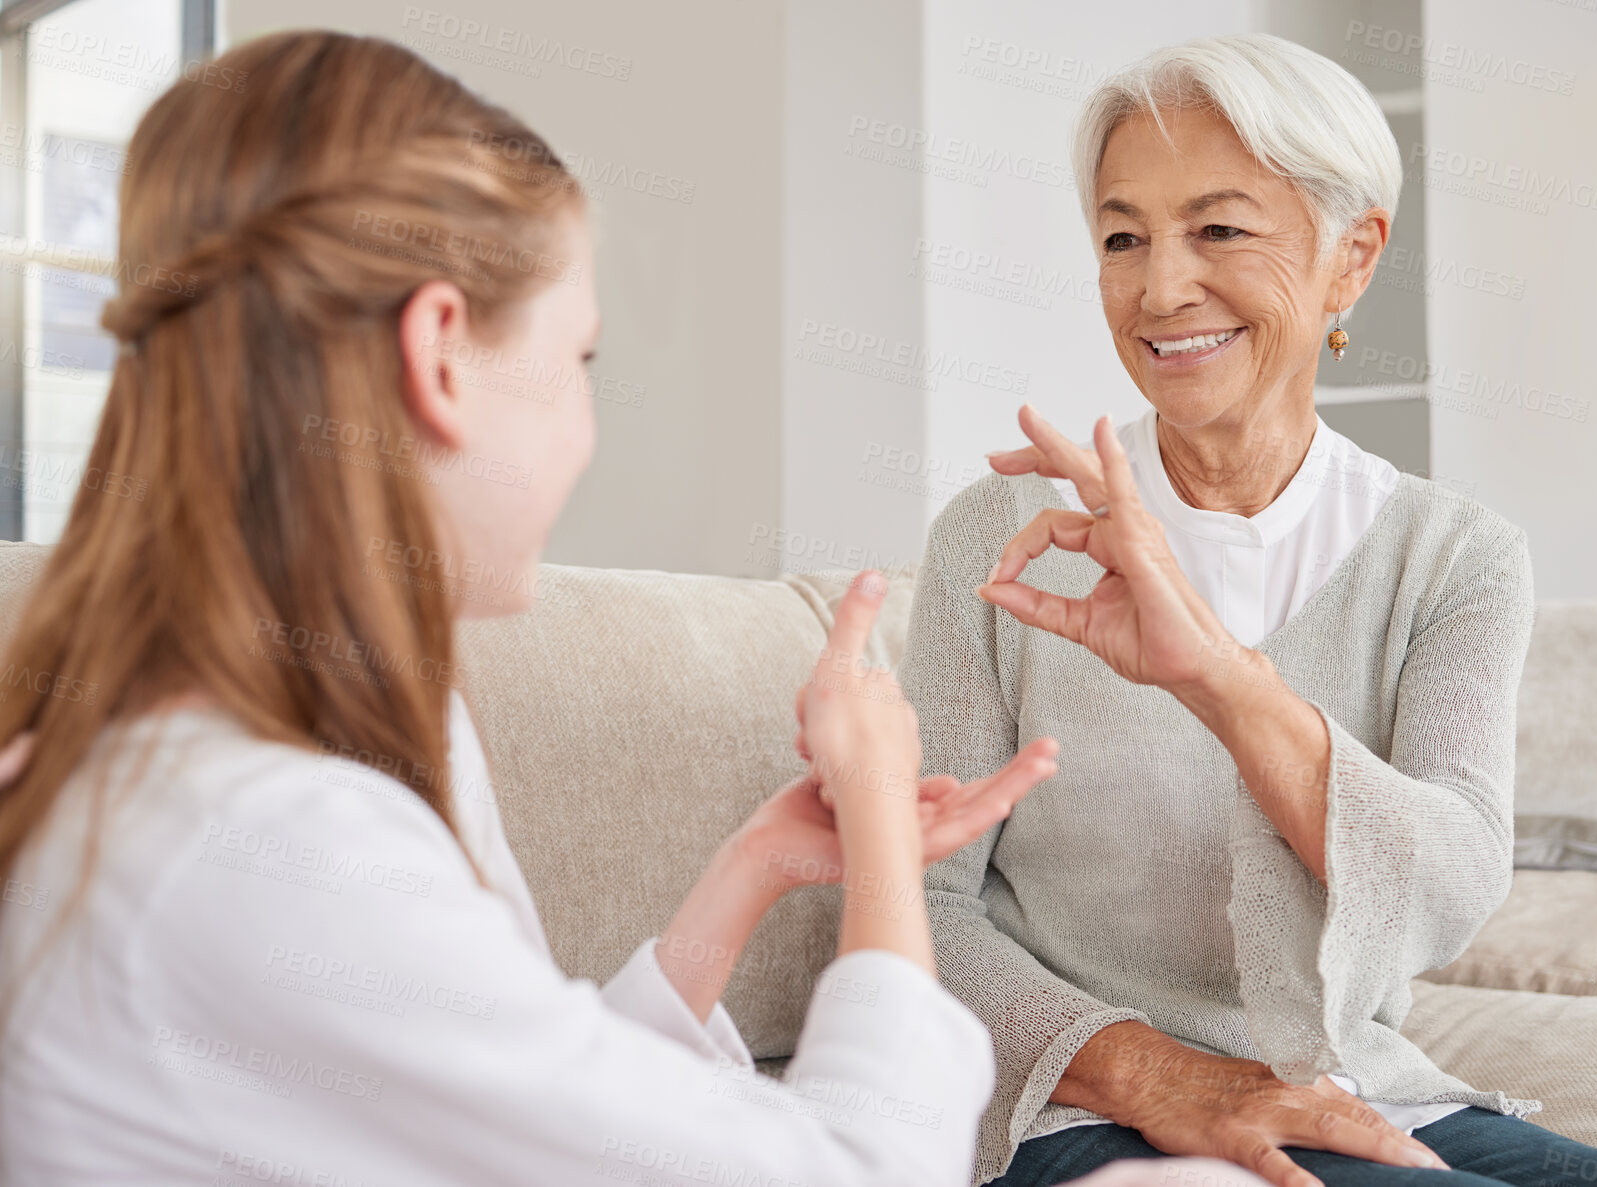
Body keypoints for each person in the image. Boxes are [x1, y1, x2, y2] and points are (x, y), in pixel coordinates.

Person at [0, 30, 1069, 1186]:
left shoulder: (261, 746)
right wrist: (875, 832)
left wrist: (752, 865)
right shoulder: (275, 844)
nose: (583, 431)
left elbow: (540, 1108)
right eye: (579, 361)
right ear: (442, 353)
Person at [899, 32, 1597, 1187]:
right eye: (1124, 236)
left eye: (1218, 229)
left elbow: (1448, 892)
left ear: (1348, 257)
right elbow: (913, 907)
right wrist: (1163, 1075)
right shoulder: (1002, 533)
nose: (1162, 287)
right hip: (1077, 1106)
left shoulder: (1455, 555)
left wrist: (1218, 675)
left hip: (1356, 1085)